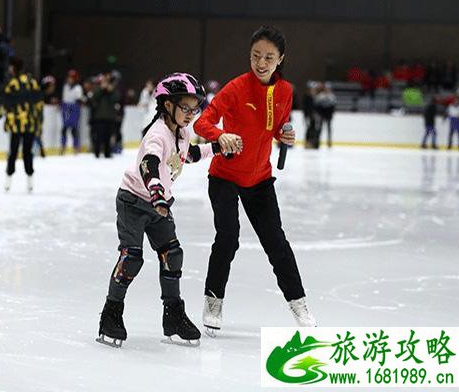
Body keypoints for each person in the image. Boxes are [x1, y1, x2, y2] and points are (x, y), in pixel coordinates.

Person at [193, 25, 316, 335]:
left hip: (259, 179)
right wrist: (221, 135)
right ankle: (213, 299)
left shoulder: (285, 91)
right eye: (256, 56)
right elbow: (202, 122)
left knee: (276, 243)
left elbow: (271, 127)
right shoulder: (235, 88)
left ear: (280, 59)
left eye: (268, 58)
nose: (261, 63)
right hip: (224, 176)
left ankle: (299, 304)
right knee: (228, 236)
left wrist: (283, 134)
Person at [97, 73, 223, 348]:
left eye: (195, 108)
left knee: (172, 256)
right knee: (131, 258)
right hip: (134, 200)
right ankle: (111, 313)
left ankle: (173, 316)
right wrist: (156, 193)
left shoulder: (181, 131)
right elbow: (149, 165)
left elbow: (186, 155)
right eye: (186, 108)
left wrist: (216, 147)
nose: (191, 114)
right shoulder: (157, 135)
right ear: (168, 105)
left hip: (159, 205)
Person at [0, 57, 37, 192]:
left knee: (14, 152)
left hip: (18, 124)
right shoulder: (31, 82)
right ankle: (29, 181)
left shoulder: (11, 83)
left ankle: (9, 181)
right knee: (27, 152)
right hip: (28, 125)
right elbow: (38, 102)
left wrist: (1, 114)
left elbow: (4, 102)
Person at [89, 73, 120, 158]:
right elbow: (94, 98)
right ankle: (97, 152)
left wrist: (111, 91)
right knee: (98, 136)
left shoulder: (113, 89)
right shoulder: (97, 89)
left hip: (110, 117)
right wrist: (101, 89)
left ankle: (107, 153)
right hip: (99, 117)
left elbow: (116, 99)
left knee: (108, 136)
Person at [60, 69, 83, 154]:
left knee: (74, 129)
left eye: (72, 78)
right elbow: (64, 97)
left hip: (74, 108)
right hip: (66, 107)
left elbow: (79, 99)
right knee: (64, 129)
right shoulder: (65, 86)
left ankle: (76, 147)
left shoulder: (78, 87)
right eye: (69, 77)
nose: (70, 79)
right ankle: (63, 146)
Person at [314, 82, 336, 148]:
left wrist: (331, 114)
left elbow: (333, 107)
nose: (327, 89)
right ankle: (317, 142)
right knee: (319, 129)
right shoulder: (320, 96)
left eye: (328, 88)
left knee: (329, 129)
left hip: (328, 116)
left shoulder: (332, 96)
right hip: (321, 115)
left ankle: (329, 143)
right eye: (326, 88)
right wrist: (319, 114)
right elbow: (317, 106)